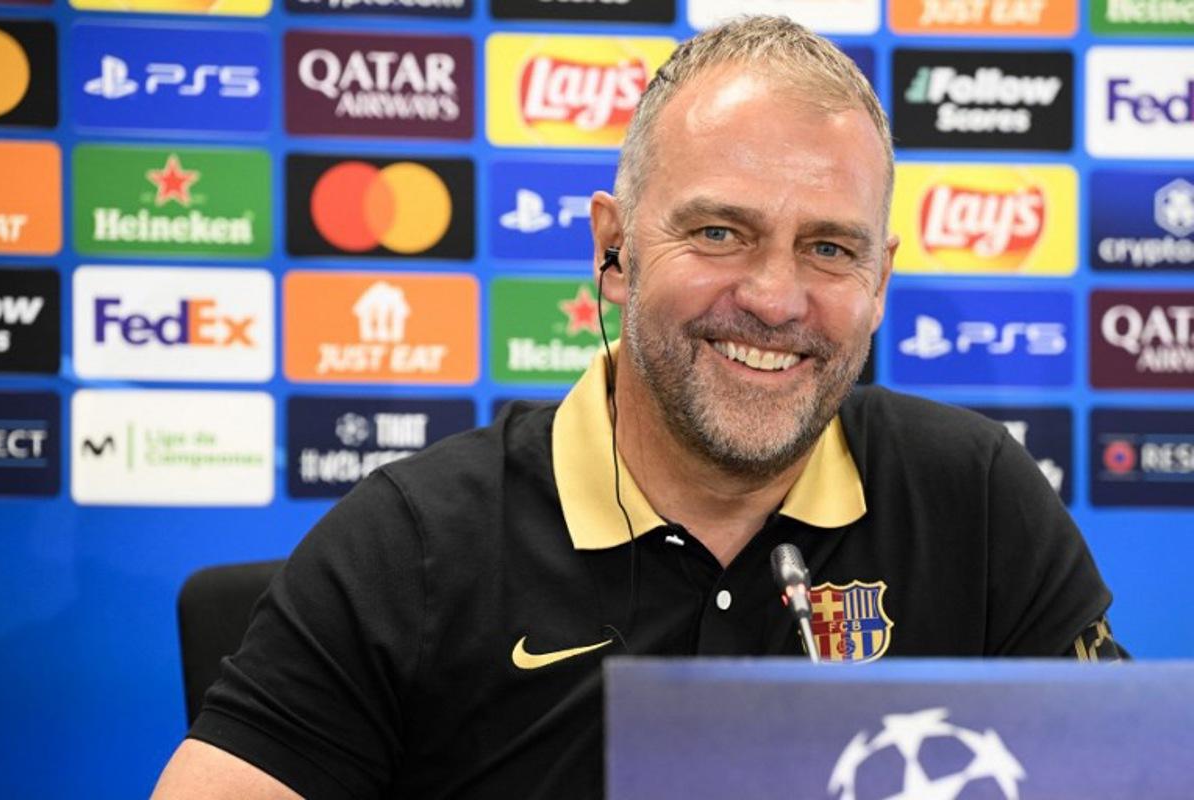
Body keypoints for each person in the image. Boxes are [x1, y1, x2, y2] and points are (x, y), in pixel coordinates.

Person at [152, 16, 1123, 800]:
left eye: (831, 247)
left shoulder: (978, 494)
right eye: (719, 230)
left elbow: (1122, 773)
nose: (778, 298)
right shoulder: (412, 539)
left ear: (879, 280)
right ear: (613, 250)